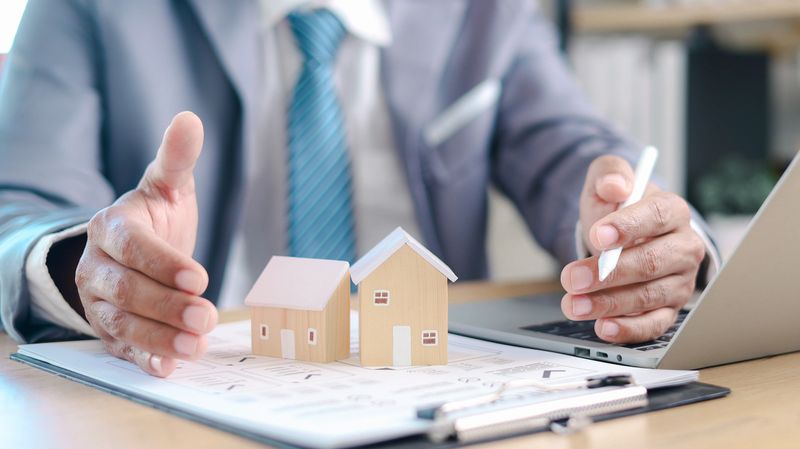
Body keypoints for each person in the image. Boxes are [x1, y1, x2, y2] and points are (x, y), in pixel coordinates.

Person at [0, 0, 714, 377]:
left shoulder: (486, 8)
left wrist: (631, 225)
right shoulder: (85, 7)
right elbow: (18, 207)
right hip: (186, 385)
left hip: (441, 383)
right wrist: (88, 267)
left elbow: (576, 151)